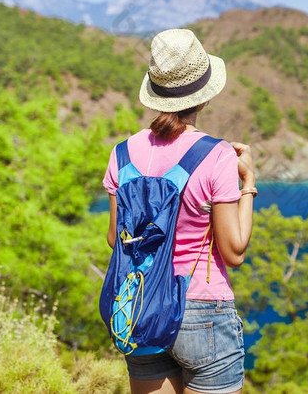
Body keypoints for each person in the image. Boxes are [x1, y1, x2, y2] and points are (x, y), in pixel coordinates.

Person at [102, 28, 256, 394]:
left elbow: (114, 239)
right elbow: (234, 252)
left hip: (141, 305)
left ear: (156, 96)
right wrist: (248, 183)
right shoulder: (216, 155)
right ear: (203, 98)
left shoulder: (122, 153)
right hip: (202, 310)